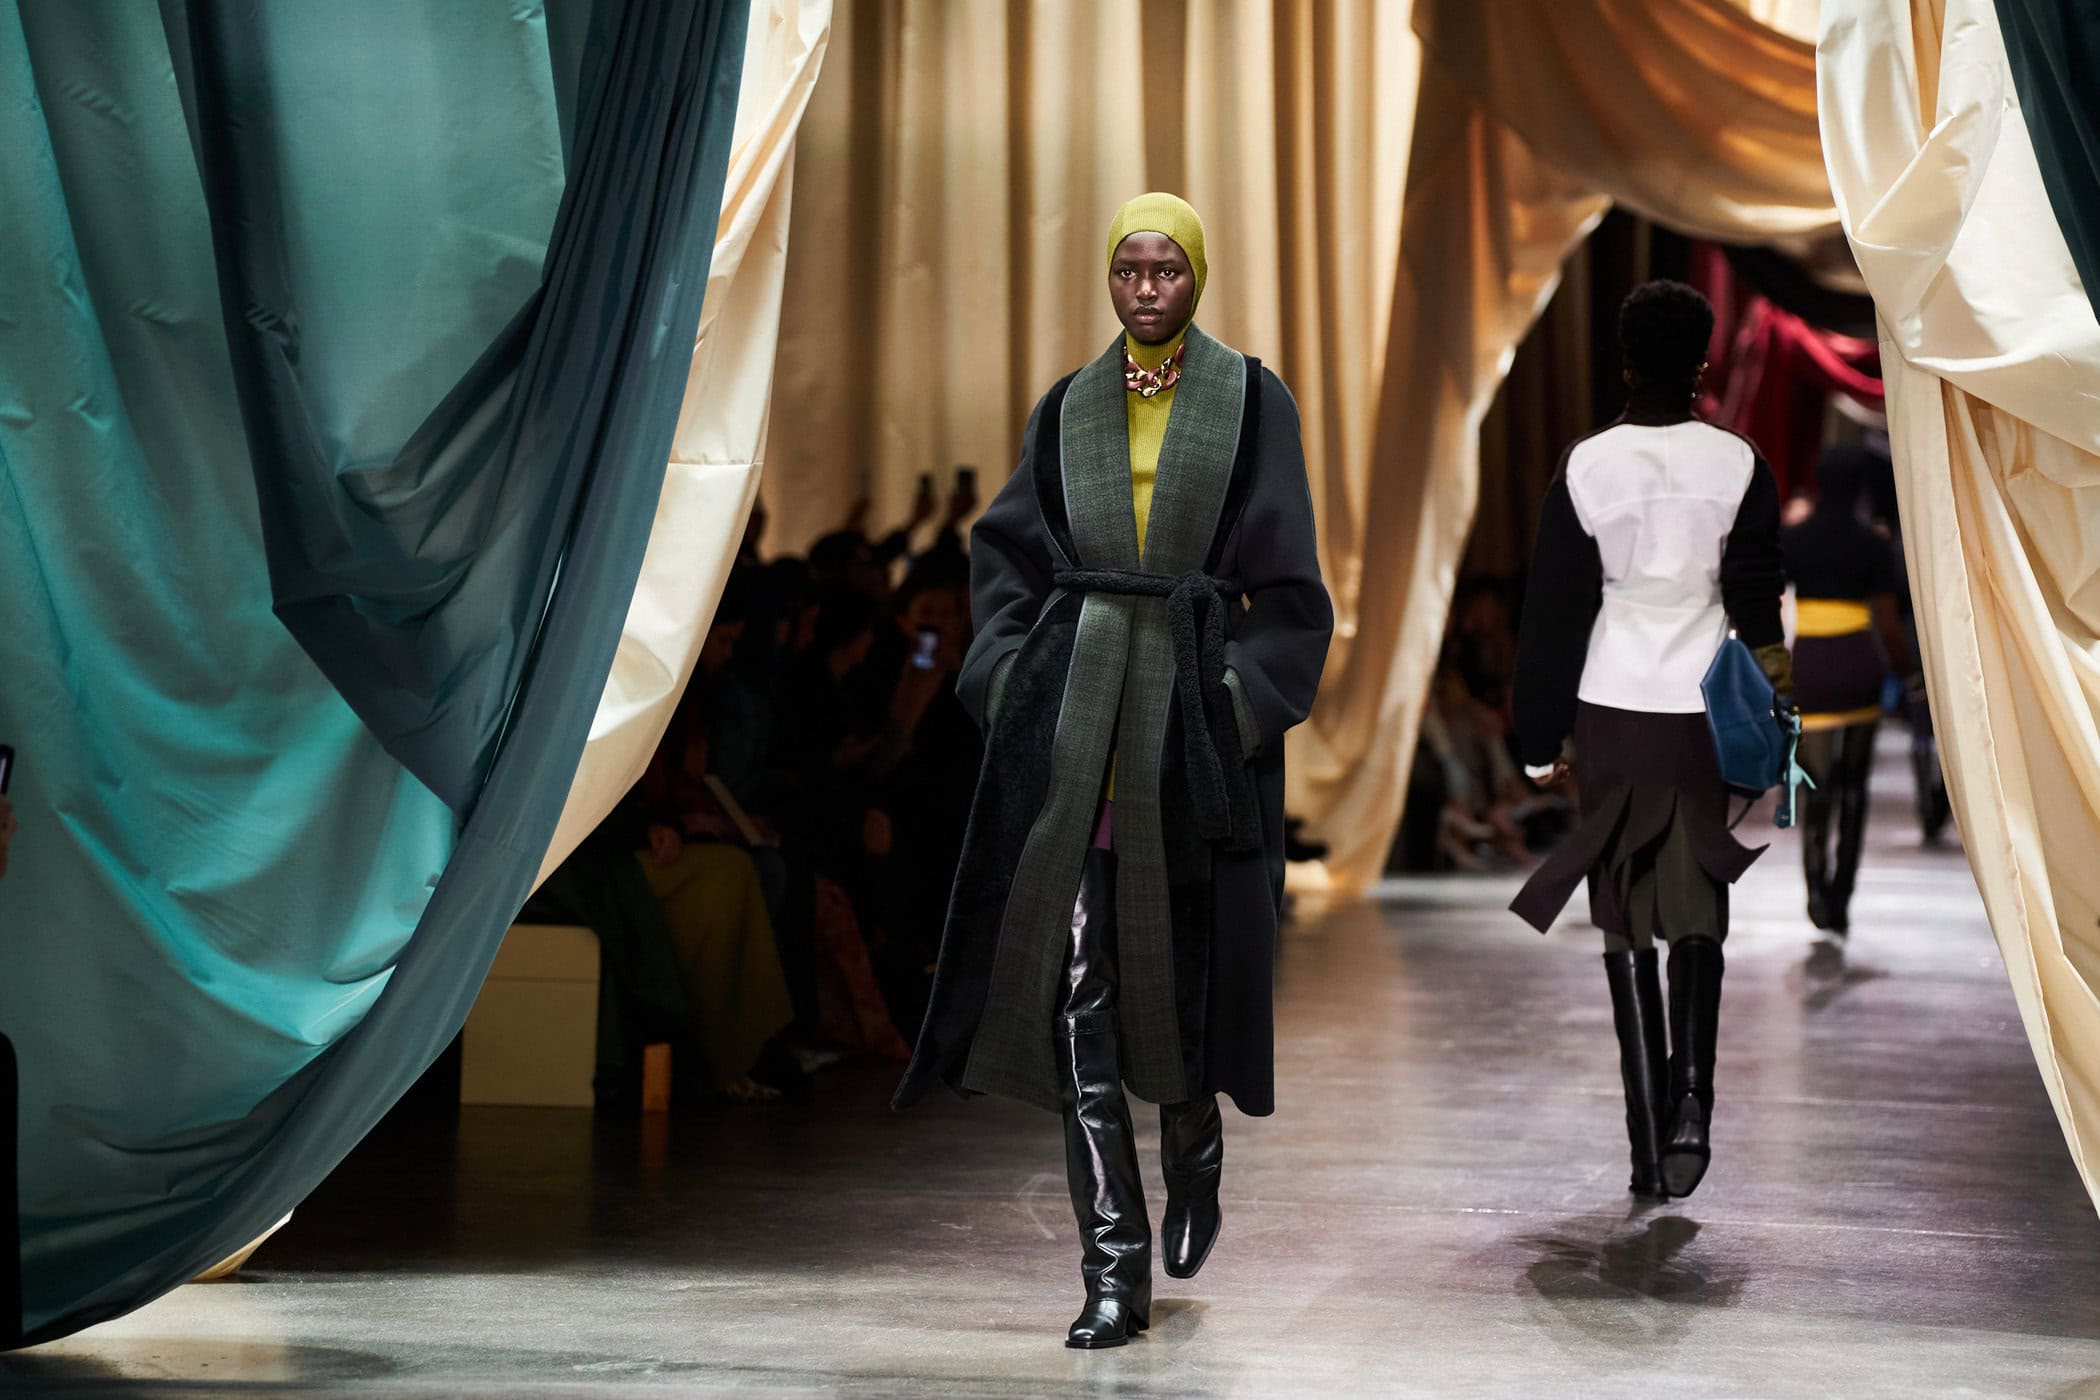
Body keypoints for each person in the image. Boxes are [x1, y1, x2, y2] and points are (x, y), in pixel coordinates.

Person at [894, 193, 1332, 1349]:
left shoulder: (1251, 400)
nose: (1146, 288)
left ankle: (1193, 1136)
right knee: (1079, 995)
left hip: (1189, 723)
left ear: (1198, 276)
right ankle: (1113, 1265)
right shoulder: (1068, 407)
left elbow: (1292, 587)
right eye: (1129, 269)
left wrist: (1234, 700)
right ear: (1109, 277)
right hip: (1082, 721)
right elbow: (1004, 554)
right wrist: (1010, 684)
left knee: (1178, 978)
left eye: (1166, 269)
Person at [1509, 280, 1791, 1203]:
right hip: (1704, 707)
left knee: (1625, 912)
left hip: (1613, 699)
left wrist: (1538, 734)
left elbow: (1555, 610)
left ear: (1626, 363)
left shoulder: (1588, 466)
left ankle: (1644, 1141)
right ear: (1703, 362)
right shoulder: (1739, 463)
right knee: (1697, 898)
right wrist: (1777, 705)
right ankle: (1693, 1105)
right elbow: (1756, 600)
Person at [1783, 446, 1915, 936]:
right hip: (1860, 666)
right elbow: (1888, 623)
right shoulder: (1873, 545)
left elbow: (1771, 605)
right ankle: (1842, 893)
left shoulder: (1793, 539)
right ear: (1860, 486)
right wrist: (1906, 674)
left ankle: (1815, 887)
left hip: (1812, 667)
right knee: (1855, 785)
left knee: (1815, 783)